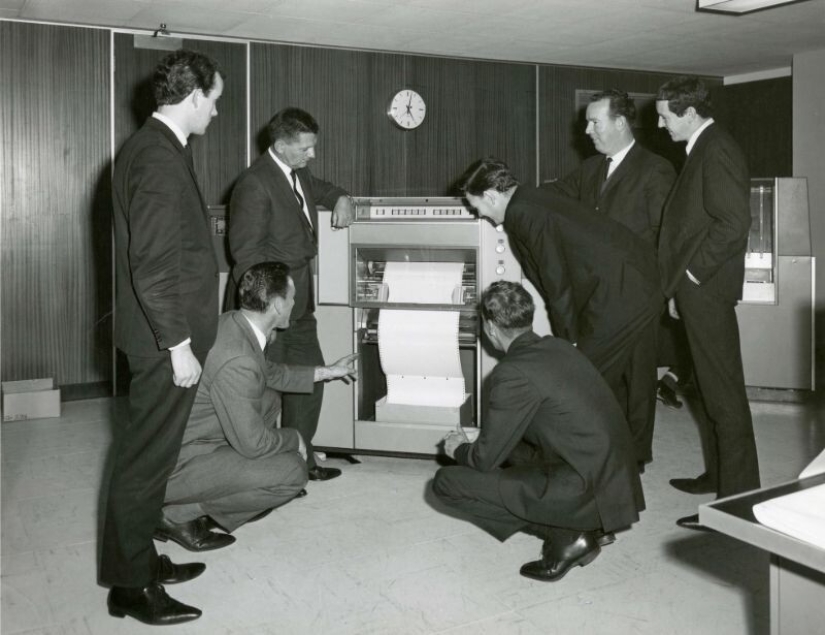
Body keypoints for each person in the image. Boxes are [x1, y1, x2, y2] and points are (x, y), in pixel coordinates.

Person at [101, 49, 224, 626]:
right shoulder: (155, 157)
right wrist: (178, 346)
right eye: (216, 100)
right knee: (144, 463)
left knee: (149, 457)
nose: (217, 112)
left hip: (158, 335)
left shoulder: (158, 147)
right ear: (195, 96)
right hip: (161, 343)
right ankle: (130, 587)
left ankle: (142, 561)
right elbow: (151, 265)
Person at [459, 157, 662, 472]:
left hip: (619, 292)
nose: (480, 215)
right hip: (637, 279)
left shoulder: (523, 213)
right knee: (634, 375)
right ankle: (630, 457)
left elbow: (557, 281)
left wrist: (571, 343)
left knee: (582, 380)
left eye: (477, 208)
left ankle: (569, 465)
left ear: (492, 196)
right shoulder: (532, 197)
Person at [432, 281, 643, 582]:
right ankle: (586, 525)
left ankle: (568, 535)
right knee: (505, 449)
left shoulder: (510, 373)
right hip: (613, 482)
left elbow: (482, 461)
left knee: (446, 483)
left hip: (586, 488)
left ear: (491, 327)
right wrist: (485, 436)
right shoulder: (556, 346)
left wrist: (459, 449)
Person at [158, 262, 357, 545]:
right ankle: (177, 514)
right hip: (181, 466)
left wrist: (330, 371)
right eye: (292, 298)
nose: (294, 304)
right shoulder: (238, 358)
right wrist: (294, 438)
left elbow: (272, 373)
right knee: (291, 472)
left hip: (195, 441)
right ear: (276, 305)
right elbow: (254, 444)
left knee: (268, 397)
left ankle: (236, 491)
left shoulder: (233, 323)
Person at [543, 89, 676, 469]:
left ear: (620, 123)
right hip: (596, 293)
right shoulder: (591, 169)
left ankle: (635, 456)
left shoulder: (655, 170)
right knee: (603, 378)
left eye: (594, 122)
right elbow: (555, 195)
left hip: (636, 294)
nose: (587, 131)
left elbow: (663, 235)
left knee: (637, 380)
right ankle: (607, 446)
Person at [656, 76, 760, 531]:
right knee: (711, 391)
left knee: (724, 395)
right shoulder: (705, 145)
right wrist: (681, 285)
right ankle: (719, 476)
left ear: (690, 113)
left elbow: (733, 224)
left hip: (707, 288)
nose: (660, 125)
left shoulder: (715, 148)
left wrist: (693, 276)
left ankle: (737, 502)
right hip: (697, 288)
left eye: (665, 116)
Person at [229, 107, 355, 481]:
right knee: (267, 392)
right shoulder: (255, 184)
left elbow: (319, 189)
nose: (311, 154)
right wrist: (268, 314)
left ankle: (303, 461)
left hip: (299, 308)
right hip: (273, 310)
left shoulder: (296, 171)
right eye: (305, 148)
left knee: (309, 383)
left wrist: (342, 196)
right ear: (281, 146)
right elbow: (246, 257)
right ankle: (273, 469)